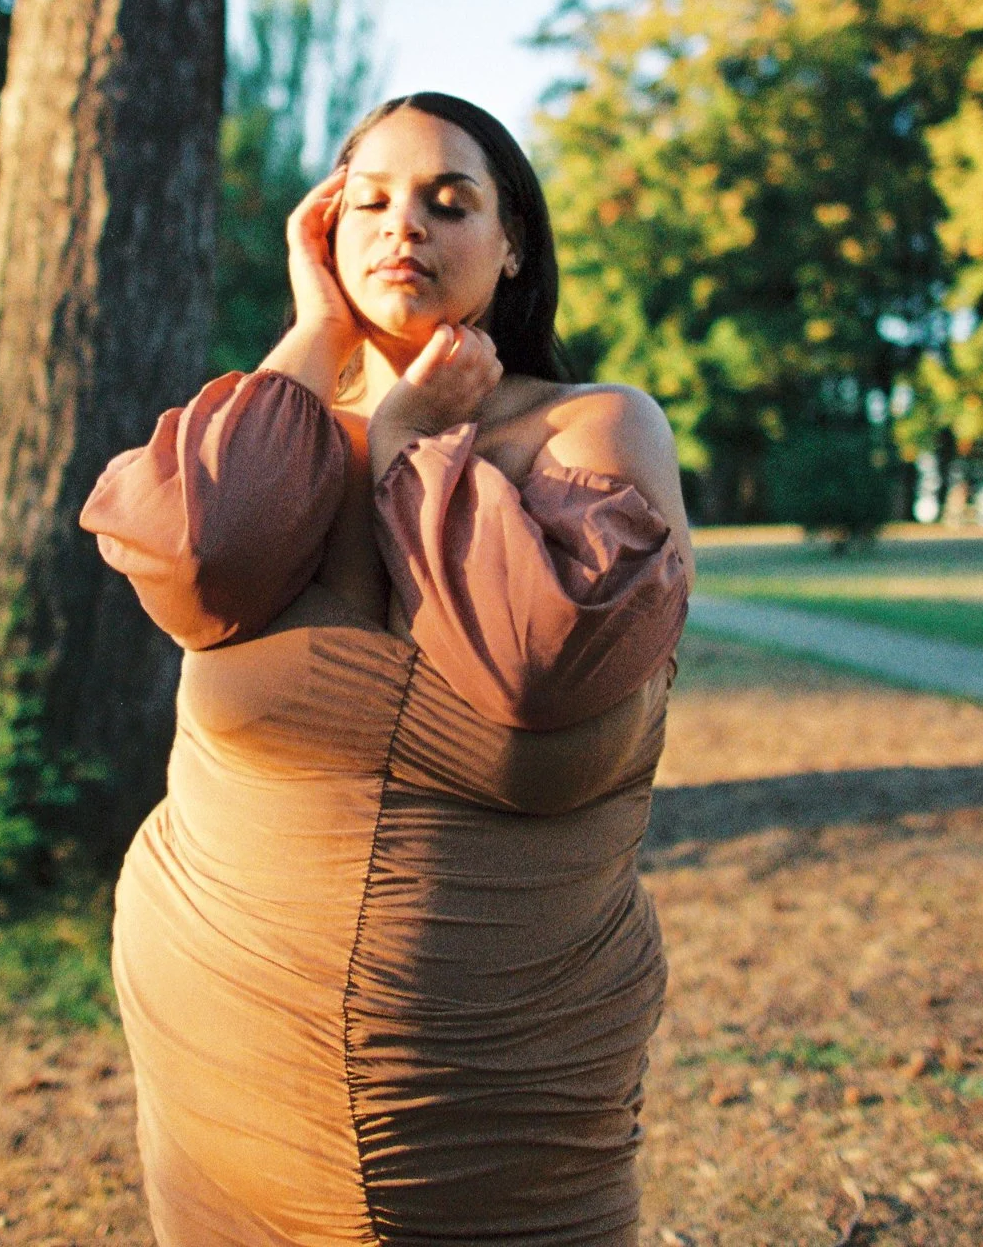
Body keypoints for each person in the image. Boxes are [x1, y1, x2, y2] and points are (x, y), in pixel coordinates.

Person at [79, 91, 694, 1245]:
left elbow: (541, 663)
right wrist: (317, 334)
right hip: (225, 1060)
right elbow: (197, 553)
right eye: (367, 202)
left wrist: (413, 442)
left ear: (513, 247)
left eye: (447, 201)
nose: (400, 225)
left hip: (502, 1097)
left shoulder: (593, 430)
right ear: (327, 233)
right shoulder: (284, 437)